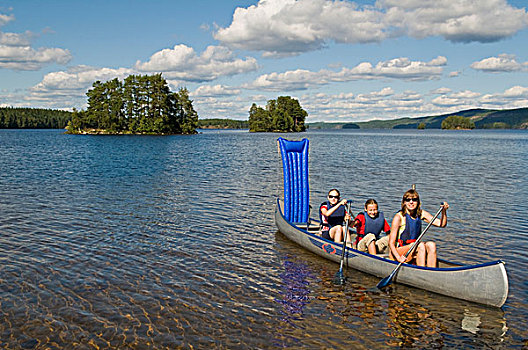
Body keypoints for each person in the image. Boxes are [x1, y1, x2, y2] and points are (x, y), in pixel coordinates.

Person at [388, 188, 449, 267]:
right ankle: (421, 270)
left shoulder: (421, 214)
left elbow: (441, 224)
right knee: (420, 246)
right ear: (404, 202)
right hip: (398, 252)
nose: (411, 202)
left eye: (414, 199)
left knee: (431, 245)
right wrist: (398, 258)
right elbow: (391, 243)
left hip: (414, 248)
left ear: (418, 202)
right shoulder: (399, 217)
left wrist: (444, 211)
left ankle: (431, 270)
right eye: (408, 200)